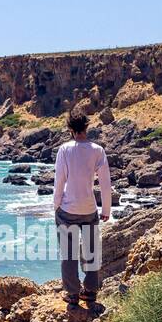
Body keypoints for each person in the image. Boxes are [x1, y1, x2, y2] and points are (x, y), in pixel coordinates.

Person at [53, 111, 111, 310]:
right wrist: (106, 209)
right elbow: (105, 183)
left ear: (70, 129)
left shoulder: (64, 149)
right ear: (87, 127)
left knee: (68, 252)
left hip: (68, 209)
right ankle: (91, 291)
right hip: (89, 208)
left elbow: (59, 180)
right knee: (91, 250)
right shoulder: (97, 150)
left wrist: (56, 205)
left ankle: (72, 294)